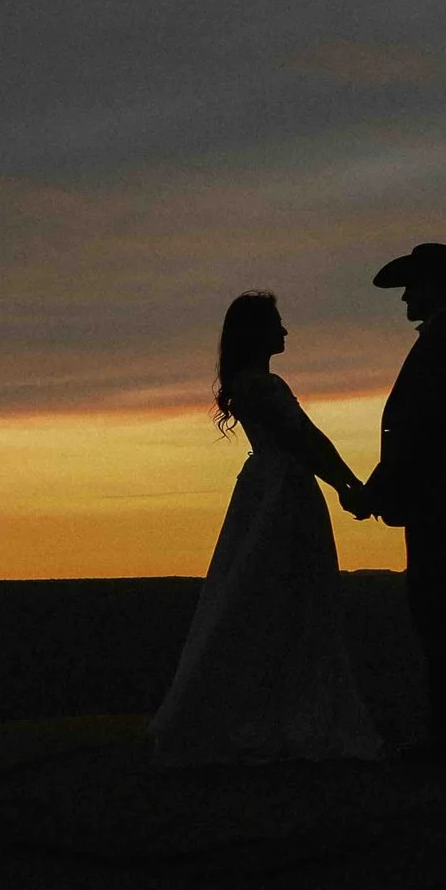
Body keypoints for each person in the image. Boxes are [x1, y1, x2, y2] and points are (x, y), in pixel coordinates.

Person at [149, 292, 386, 767]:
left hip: (270, 491)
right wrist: (348, 484)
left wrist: (345, 481)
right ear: (259, 331)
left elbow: (309, 438)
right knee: (283, 596)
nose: (285, 331)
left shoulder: (254, 384)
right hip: (283, 495)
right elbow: (304, 440)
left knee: (264, 594)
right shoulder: (262, 386)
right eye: (278, 323)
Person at [342, 243, 446, 762]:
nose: (405, 295)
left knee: (438, 614)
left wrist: (376, 489)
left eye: (412, 285)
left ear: (433, 287)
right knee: (439, 612)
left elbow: (419, 432)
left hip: (437, 498)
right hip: (440, 497)